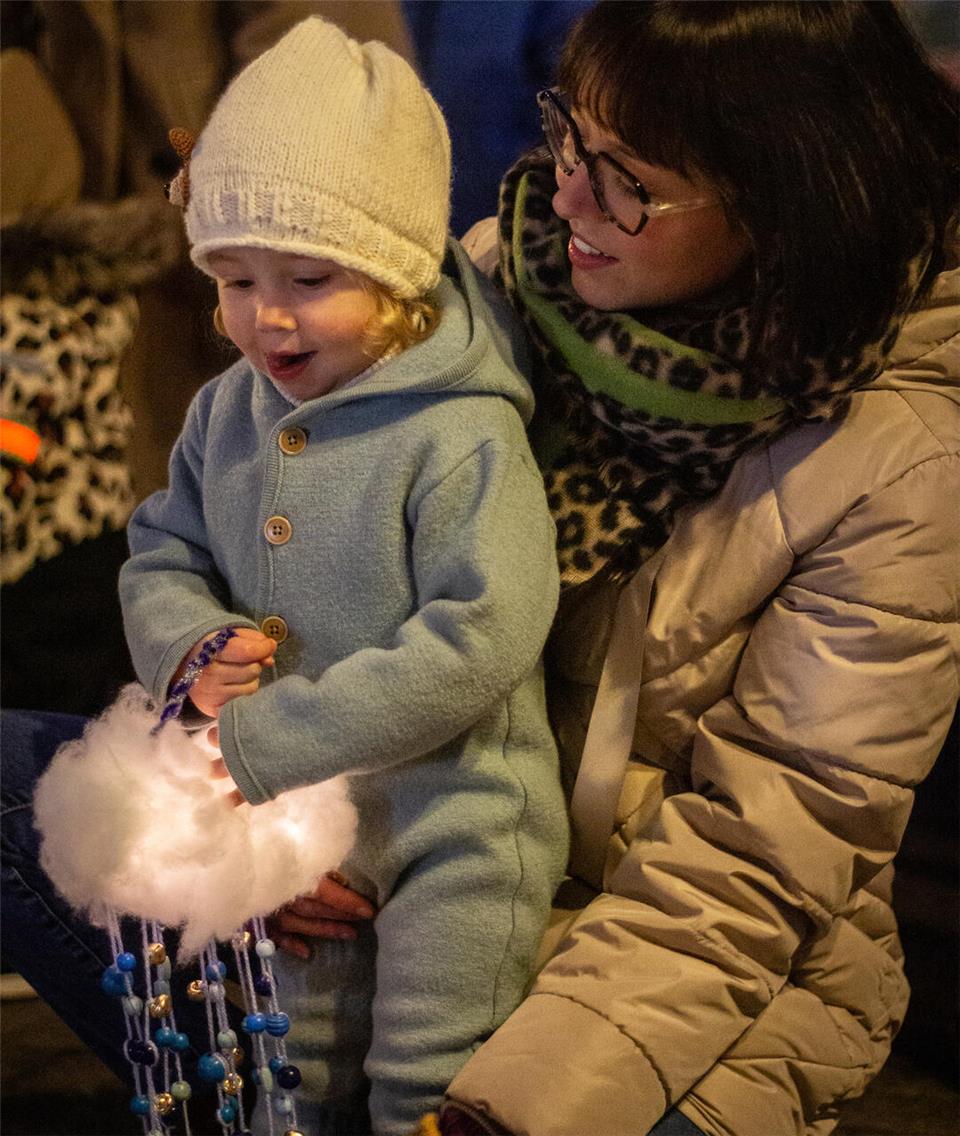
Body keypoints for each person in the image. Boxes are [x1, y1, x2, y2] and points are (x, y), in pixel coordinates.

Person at [2, 2, 957, 1135]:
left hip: (628, 957)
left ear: (782, 194)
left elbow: (750, 875)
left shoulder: (900, 464)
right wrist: (272, 830)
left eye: (626, 180)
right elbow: (233, 555)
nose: (563, 197)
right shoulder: (490, 278)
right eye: (567, 138)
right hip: (357, 803)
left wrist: (493, 1107)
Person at [115, 16, 567, 1136]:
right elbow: (163, 547)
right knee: (288, 1078)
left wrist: (264, 744)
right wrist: (187, 644)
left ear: (402, 272)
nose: (265, 316)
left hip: (455, 823)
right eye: (232, 277)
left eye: (310, 277)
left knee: (429, 1082)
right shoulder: (226, 409)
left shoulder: (459, 432)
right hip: (300, 824)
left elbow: (487, 628)